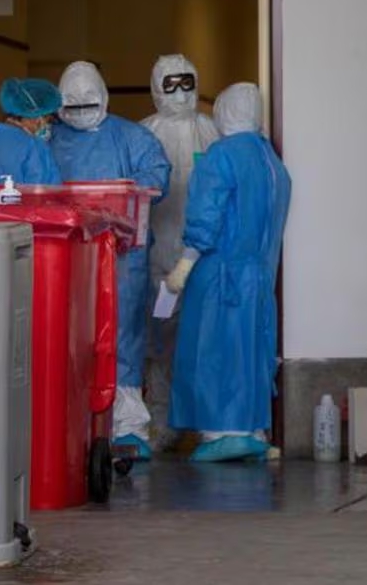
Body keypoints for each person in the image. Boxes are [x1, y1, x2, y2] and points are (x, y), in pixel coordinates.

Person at [165, 83, 291, 463]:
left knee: (216, 352)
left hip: (221, 273)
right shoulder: (272, 162)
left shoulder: (222, 157)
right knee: (253, 351)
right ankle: (253, 429)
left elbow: (207, 214)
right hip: (260, 276)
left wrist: (185, 264)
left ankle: (224, 433)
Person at [51, 61, 172, 460]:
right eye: (74, 107)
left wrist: (132, 190)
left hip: (124, 260)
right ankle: (71, 424)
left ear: (104, 96)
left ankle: (127, 426)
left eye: (90, 105)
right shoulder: (48, 139)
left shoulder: (131, 137)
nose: (83, 113)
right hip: (66, 258)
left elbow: (157, 176)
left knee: (121, 336)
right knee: (69, 338)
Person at [140, 55, 220, 452]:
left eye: (186, 82)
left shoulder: (213, 131)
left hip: (204, 259)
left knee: (204, 339)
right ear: (156, 87)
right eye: (169, 84)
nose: (179, 92)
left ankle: (207, 421)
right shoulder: (144, 134)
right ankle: (161, 418)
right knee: (160, 342)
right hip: (158, 262)